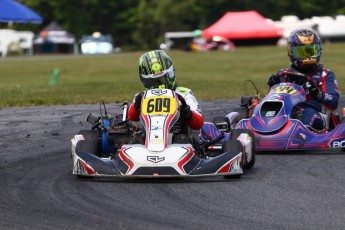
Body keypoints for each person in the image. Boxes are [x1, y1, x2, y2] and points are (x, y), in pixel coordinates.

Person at [267, 29, 339, 131]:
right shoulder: (283, 74)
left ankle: (298, 134)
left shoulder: (325, 74)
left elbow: (334, 102)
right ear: (291, 52)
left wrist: (318, 94)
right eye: (302, 52)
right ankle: (258, 129)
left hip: (316, 113)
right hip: (286, 112)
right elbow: (273, 99)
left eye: (311, 50)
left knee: (306, 113)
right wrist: (272, 85)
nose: (308, 56)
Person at [128, 50, 204, 137]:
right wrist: (137, 105)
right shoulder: (142, 97)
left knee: (181, 139)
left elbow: (198, 124)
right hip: (148, 139)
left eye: (163, 78)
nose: (160, 84)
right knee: (136, 139)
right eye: (154, 80)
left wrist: (188, 113)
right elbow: (131, 117)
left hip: (180, 138)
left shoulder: (184, 94)